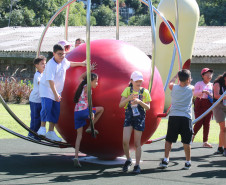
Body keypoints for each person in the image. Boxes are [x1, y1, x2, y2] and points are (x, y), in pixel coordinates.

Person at [37, 44, 86, 141]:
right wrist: (55, 94)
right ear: (54, 53)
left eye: (63, 54)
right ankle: (42, 128)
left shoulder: (63, 61)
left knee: (56, 111)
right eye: (59, 54)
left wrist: (81, 63)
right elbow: (50, 81)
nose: (62, 56)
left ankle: (50, 132)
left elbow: (69, 63)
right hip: (47, 89)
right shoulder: (51, 64)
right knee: (47, 108)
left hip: (57, 90)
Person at [159, 69, 194, 170]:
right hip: (185, 118)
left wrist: (175, 76)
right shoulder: (191, 88)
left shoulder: (173, 87)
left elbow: (171, 82)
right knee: (186, 142)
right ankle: (188, 162)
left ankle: (166, 160)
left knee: (169, 140)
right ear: (188, 79)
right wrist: (183, 78)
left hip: (174, 117)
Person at [119, 71, 151, 174]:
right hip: (129, 118)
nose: (139, 83)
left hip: (139, 119)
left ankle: (137, 165)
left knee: (137, 143)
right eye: (136, 81)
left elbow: (148, 107)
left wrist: (139, 102)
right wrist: (128, 98)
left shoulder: (144, 91)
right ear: (131, 81)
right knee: (125, 141)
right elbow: (120, 104)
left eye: (140, 81)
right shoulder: (128, 90)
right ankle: (128, 159)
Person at [73, 71, 104, 167]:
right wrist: (90, 112)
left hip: (77, 113)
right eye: (96, 81)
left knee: (79, 136)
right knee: (101, 109)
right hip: (84, 111)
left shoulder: (82, 85)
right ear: (90, 81)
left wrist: (89, 70)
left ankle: (76, 157)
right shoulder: (88, 88)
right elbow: (89, 103)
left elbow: (81, 78)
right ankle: (91, 126)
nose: (97, 83)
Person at [193, 68, 214, 148]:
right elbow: (194, 93)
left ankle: (205, 141)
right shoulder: (199, 83)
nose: (209, 76)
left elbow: (214, 95)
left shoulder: (212, 85)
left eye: (210, 74)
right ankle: (191, 137)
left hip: (209, 104)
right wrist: (203, 91)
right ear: (202, 75)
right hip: (200, 103)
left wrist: (211, 96)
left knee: (207, 123)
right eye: (207, 74)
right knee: (199, 121)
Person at [28, 55, 46, 139]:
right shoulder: (37, 74)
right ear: (36, 65)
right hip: (35, 100)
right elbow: (40, 83)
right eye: (42, 63)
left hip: (41, 99)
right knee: (35, 118)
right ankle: (32, 134)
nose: (44, 65)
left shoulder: (43, 74)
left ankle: (37, 134)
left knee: (40, 118)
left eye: (45, 63)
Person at [213, 72, 226, 156]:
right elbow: (216, 95)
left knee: (224, 129)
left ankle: (220, 147)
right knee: (223, 128)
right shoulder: (217, 83)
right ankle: (225, 148)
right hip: (218, 105)